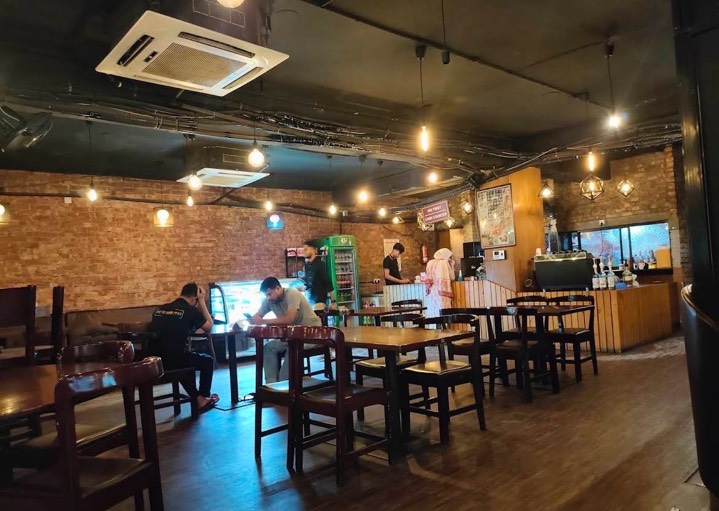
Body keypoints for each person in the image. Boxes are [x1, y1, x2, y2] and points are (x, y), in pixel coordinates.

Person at [148, 283, 219, 413]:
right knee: (207, 361)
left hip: (152, 362)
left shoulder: (160, 309)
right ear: (194, 299)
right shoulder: (191, 310)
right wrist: (202, 301)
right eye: (197, 301)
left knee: (184, 358)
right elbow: (209, 326)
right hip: (174, 362)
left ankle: (198, 398)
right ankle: (203, 399)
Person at [250, 276, 322, 383]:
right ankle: (272, 384)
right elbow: (258, 315)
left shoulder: (292, 294)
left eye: (269, 294)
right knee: (268, 348)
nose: (268, 298)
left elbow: (289, 319)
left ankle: (284, 383)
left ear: (278, 288)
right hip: (292, 336)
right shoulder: (269, 300)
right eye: (266, 295)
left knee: (292, 347)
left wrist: (263, 321)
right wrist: (254, 318)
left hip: (311, 334)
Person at [302, 239, 336, 309]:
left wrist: (333, 301)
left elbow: (327, 283)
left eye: (306, 249)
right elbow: (310, 284)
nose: (304, 252)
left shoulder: (320, 264)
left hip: (319, 301)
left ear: (313, 250)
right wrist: (302, 288)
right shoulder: (307, 266)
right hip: (310, 300)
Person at [425, 248, 456, 318]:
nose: (449, 258)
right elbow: (452, 277)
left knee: (433, 313)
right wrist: (452, 265)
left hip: (432, 292)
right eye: (449, 256)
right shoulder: (444, 263)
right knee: (443, 315)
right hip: (441, 292)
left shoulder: (430, 262)